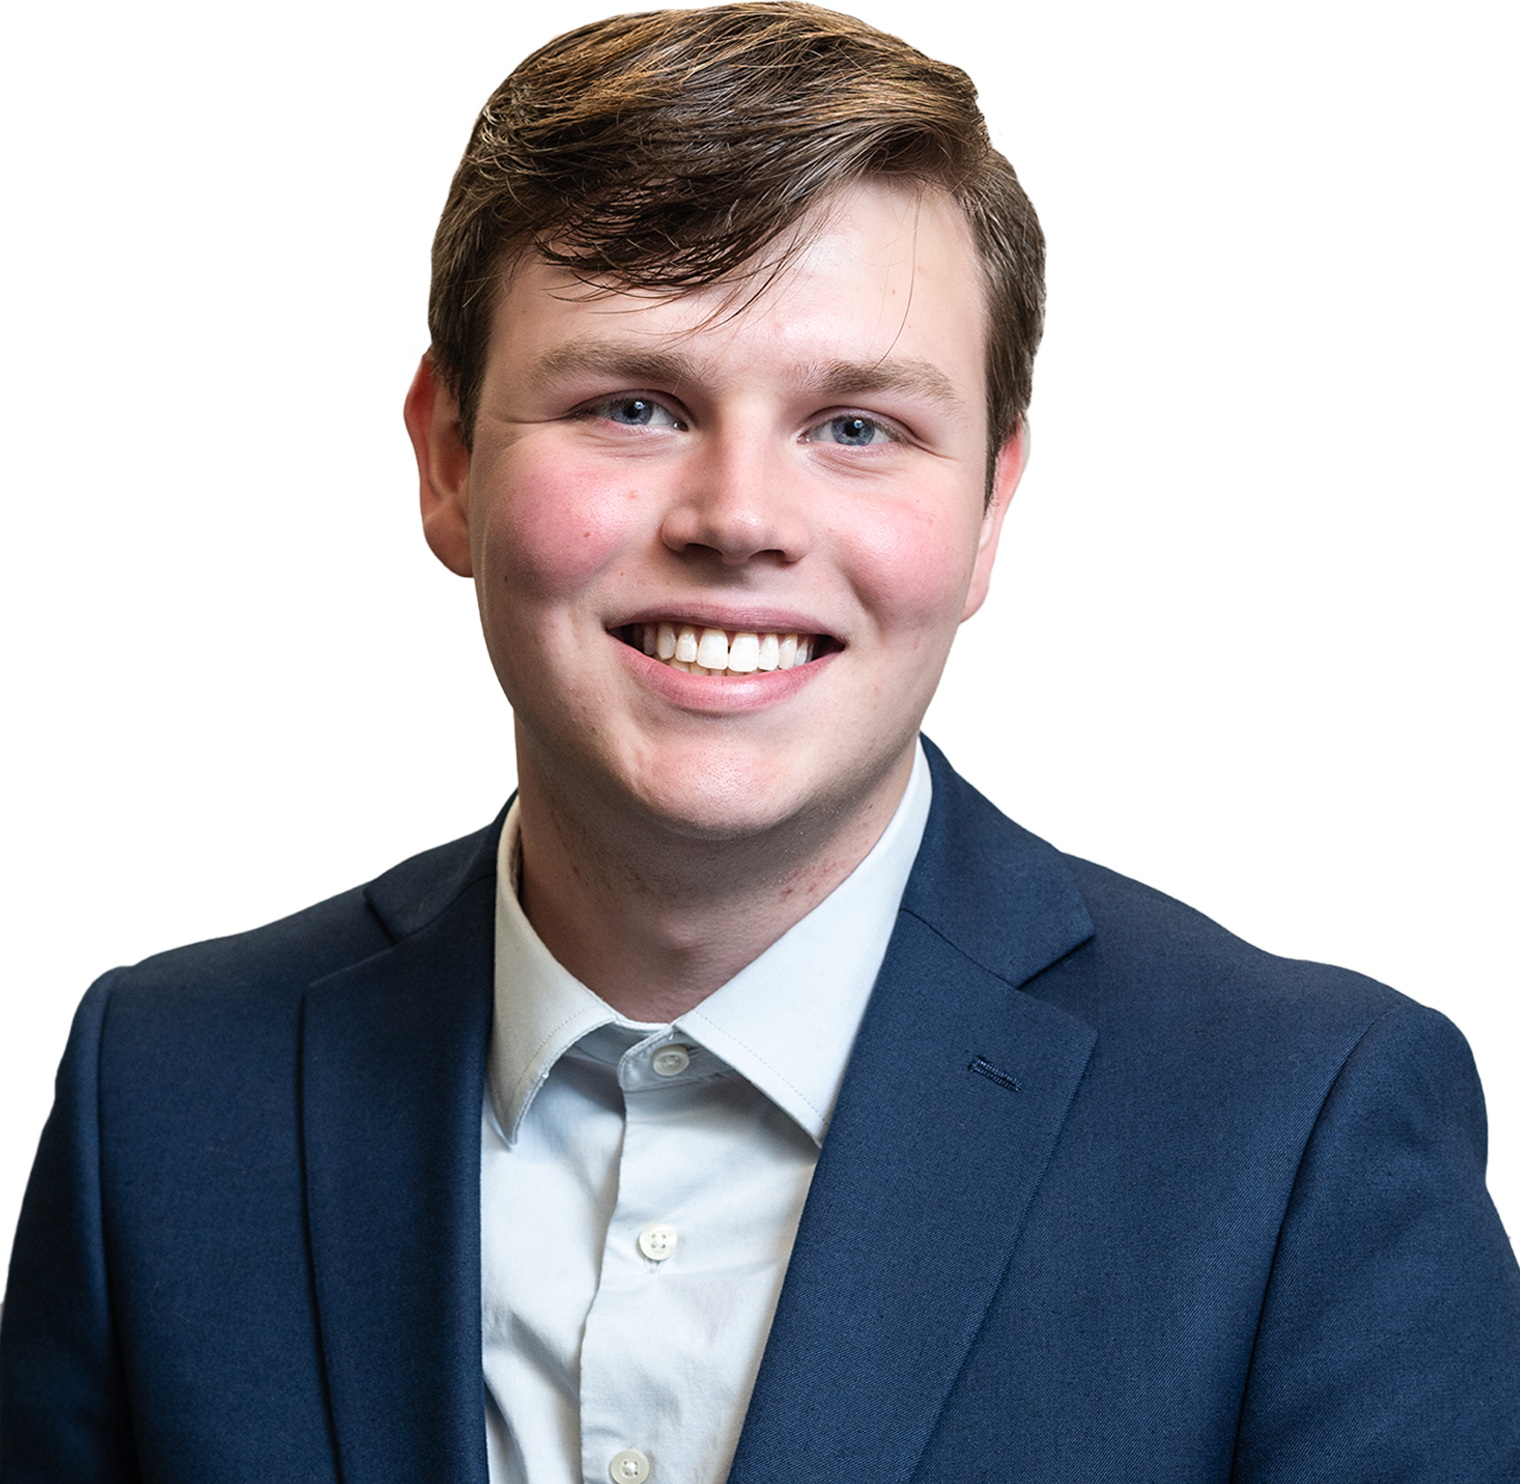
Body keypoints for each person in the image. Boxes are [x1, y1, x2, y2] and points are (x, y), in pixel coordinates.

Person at [2, 0, 1517, 1478]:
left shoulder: (1303, 1137)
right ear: (450, 461)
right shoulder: (165, 1096)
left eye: (858, 425)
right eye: (635, 404)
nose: (737, 520)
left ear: (987, 508)